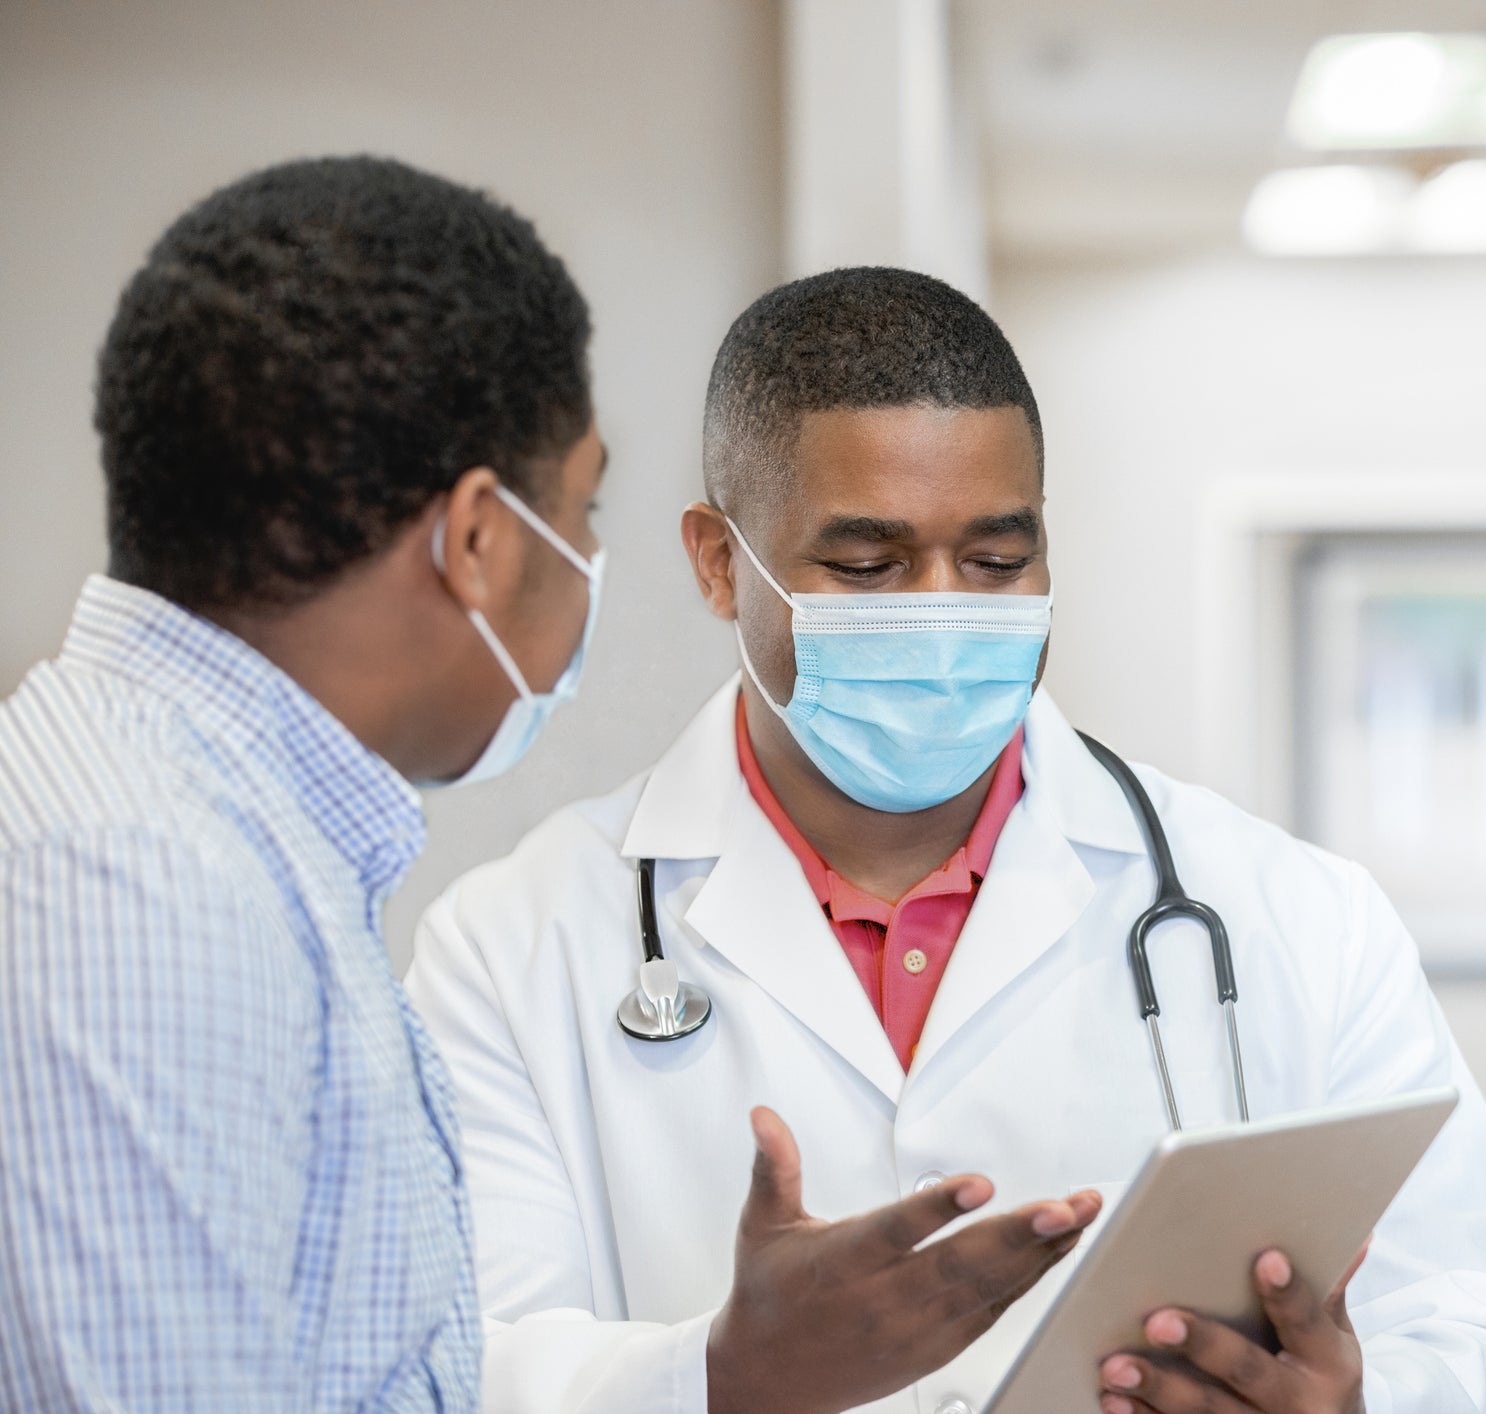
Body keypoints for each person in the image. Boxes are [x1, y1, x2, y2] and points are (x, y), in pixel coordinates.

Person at [0, 162, 1094, 1411]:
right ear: (478, 539)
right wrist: (730, 1371)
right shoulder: (126, 884)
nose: (586, 568)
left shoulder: (209, 848)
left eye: (998, 557)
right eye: (581, 511)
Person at [406, 267, 1486, 1414]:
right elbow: (440, 1373)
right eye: (868, 565)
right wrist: (723, 1380)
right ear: (722, 564)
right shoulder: (512, 946)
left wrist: (1356, 1405)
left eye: (997, 559)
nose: (945, 610)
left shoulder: (1298, 916)